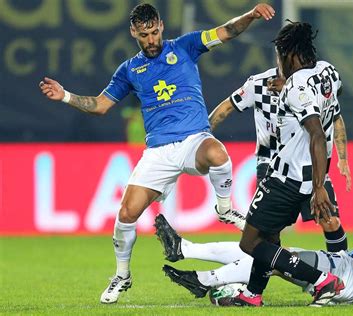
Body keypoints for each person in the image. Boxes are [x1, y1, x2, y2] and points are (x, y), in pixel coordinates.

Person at [38, 2, 275, 304]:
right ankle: (122, 275)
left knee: (217, 153)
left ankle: (225, 208)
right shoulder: (129, 70)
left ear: (161, 26)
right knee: (126, 214)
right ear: (133, 32)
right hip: (159, 152)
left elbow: (226, 31)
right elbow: (101, 105)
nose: (150, 40)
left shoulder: (187, 46)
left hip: (193, 140)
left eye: (153, 32)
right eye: (143, 35)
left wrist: (251, 15)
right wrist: (66, 96)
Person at [156, 181, 353, 306]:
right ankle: (193, 260)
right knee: (274, 257)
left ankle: (200, 272)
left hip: (348, 270)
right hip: (350, 279)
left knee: (271, 252)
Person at [208, 62, 351, 252]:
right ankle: (276, 271)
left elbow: (334, 116)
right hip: (271, 164)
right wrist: (203, 140)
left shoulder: (311, 83)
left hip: (307, 163)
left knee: (330, 221)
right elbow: (225, 109)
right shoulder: (257, 84)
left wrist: (343, 158)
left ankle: (343, 274)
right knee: (268, 234)